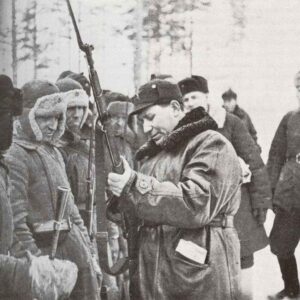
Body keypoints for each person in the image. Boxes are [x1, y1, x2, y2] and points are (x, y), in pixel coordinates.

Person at [107, 79, 242, 300]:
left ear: (176, 108)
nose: (146, 128)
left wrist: (134, 185)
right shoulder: (153, 156)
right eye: (141, 122)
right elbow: (148, 207)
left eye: (150, 118)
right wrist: (122, 199)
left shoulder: (211, 144)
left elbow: (196, 203)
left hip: (198, 278)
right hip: (157, 276)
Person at [178, 76, 271, 300]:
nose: (190, 102)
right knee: (204, 259)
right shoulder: (183, 129)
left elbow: (254, 160)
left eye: (194, 97)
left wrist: (261, 201)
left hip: (237, 203)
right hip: (203, 205)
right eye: (186, 99)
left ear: (206, 97)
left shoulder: (229, 122)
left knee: (243, 255)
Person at [5, 82, 100, 300]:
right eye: (44, 117)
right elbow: (16, 223)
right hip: (46, 254)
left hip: (75, 254)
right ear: (26, 116)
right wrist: (37, 269)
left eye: (57, 118)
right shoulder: (15, 155)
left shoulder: (54, 153)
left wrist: (89, 251)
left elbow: (72, 211)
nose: (52, 124)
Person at [266, 71, 300, 300]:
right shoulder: (290, 119)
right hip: (292, 191)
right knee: (281, 243)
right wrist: (271, 190)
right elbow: (276, 155)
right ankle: (292, 289)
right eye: (299, 87)